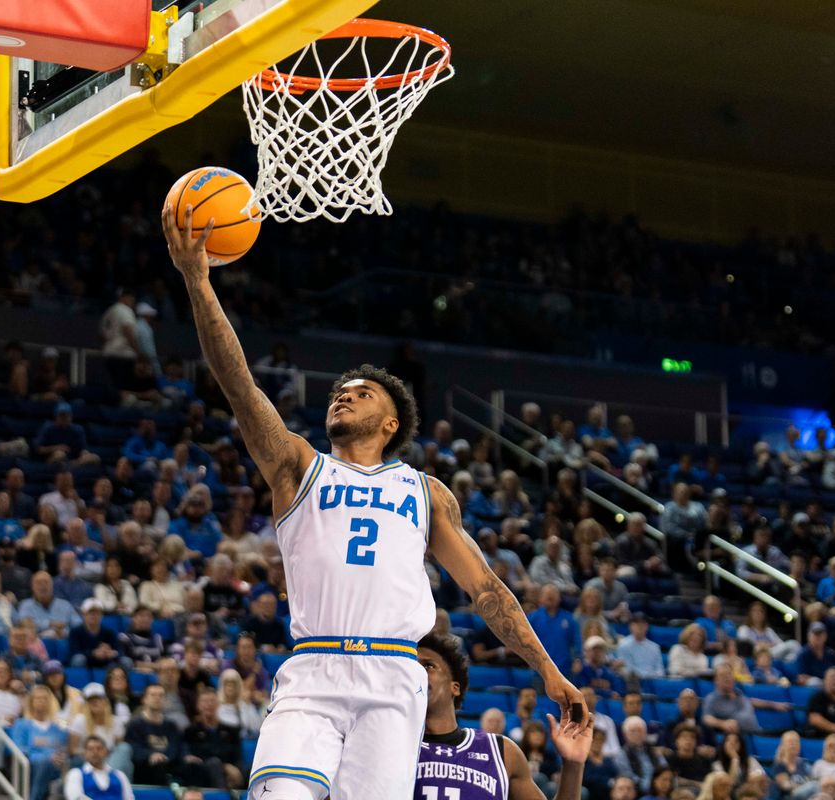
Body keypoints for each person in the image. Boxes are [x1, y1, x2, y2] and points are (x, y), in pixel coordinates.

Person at [161, 205, 584, 800]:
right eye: (338, 391)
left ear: (389, 423)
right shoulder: (298, 466)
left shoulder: (425, 492)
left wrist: (547, 668)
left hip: (394, 678)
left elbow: (486, 590)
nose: (343, 396)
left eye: (359, 394)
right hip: (314, 669)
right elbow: (238, 384)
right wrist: (198, 282)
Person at [413, 633, 594, 800]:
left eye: (428, 666)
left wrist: (572, 764)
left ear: (455, 687)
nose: (417, 673)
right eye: (412, 667)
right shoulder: (391, 745)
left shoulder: (501, 751)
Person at [9, 685, 70, 800]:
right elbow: (19, 749)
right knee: (43, 763)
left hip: (54, 767)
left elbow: (62, 749)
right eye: (38, 698)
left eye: (45, 698)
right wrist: (47, 756)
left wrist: (60, 758)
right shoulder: (22, 725)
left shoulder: (58, 729)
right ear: (31, 701)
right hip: (30, 765)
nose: (41, 701)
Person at [67, 685, 133, 779]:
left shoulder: (116, 721)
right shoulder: (79, 720)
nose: (95, 702)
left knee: (125, 748)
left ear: (105, 701)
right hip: (86, 759)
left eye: (98, 699)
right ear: (86, 704)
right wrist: (93, 753)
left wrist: (103, 755)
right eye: (91, 700)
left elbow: (119, 750)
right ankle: (108, 779)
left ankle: (108, 777)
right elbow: (72, 750)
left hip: (110, 759)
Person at [125, 685, 184, 785]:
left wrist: (165, 757)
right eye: (153, 695)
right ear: (144, 699)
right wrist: (150, 755)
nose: (157, 698)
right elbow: (134, 748)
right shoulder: (135, 725)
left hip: (168, 765)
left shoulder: (171, 726)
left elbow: (176, 747)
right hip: (144, 768)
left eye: (161, 695)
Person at [64, 736, 134, 800]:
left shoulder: (120, 775)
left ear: (106, 752)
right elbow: (75, 797)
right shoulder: (76, 773)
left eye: (99, 748)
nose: (95, 752)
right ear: (84, 753)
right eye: (90, 749)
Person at [16, 572, 81, 640]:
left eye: (46, 582)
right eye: (38, 583)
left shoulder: (65, 605)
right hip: (36, 644)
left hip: (63, 642)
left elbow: (78, 625)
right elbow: (24, 625)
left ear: (52, 585)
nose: (42, 586)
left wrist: (65, 633)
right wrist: (49, 624)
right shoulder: (25, 605)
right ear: (32, 586)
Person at [614, 717, 664, 795]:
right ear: (625, 735)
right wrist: (652, 786)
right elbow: (629, 777)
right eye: (633, 731)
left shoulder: (653, 751)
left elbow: (664, 768)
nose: (637, 734)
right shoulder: (621, 755)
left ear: (645, 733)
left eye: (640, 730)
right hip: (640, 791)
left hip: (660, 786)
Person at [68, 600, 124, 670]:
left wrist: (111, 652)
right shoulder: (75, 631)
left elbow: (119, 650)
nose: (94, 616)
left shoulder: (108, 632)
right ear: (84, 614)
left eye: (97, 613)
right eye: (91, 613)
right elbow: (74, 651)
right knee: (78, 659)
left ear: (101, 615)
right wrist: (93, 653)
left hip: (106, 663)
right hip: (86, 661)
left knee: (125, 661)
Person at [616, 613, 664, 680]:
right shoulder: (623, 645)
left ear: (647, 626)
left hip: (653, 681)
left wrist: (651, 676)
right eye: (636, 624)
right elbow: (628, 668)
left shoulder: (655, 647)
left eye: (643, 624)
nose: (639, 627)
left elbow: (660, 670)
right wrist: (646, 675)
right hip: (633, 682)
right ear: (631, 626)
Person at [772, 731, 818, 800]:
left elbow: (810, 779)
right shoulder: (779, 765)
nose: (793, 744)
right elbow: (786, 786)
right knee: (814, 786)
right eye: (790, 742)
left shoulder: (804, 764)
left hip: (807, 796)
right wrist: (804, 786)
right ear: (783, 746)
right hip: (790, 797)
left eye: (796, 742)